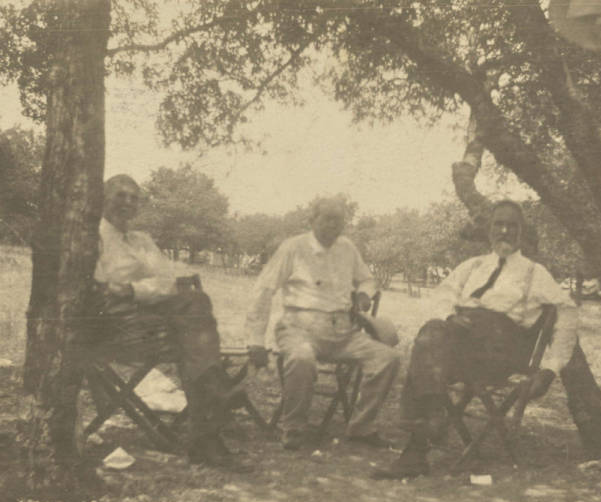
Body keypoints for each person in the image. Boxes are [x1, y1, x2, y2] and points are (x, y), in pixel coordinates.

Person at [374, 200, 579, 479]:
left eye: (512, 225)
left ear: (522, 231)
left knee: (429, 344)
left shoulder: (534, 272)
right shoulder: (473, 266)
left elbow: (567, 312)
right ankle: (427, 427)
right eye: (498, 224)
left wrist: (550, 369)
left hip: (500, 352)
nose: (504, 231)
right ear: (488, 229)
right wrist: (449, 316)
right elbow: (442, 295)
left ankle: (420, 441)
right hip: (458, 344)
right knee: (432, 335)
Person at [93, 174, 249, 470]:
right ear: (104, 197)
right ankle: (211, 422)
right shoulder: (94, 238)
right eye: (120, 195)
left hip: (159, 322)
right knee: (197, 314)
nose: (127, 202)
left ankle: (208, 432)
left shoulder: (142, 240)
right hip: (120, 327)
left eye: (134, 198)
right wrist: (143, 290)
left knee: (194, 339)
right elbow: (105, 291)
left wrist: (135, 289)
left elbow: (169, 281)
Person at [245, 197, 401, 450]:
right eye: (326, 218)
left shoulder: (347, 247)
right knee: (301, 359)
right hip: (299, 328)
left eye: (338, 220)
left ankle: (361, 427)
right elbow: (263, 290)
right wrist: (255, 340)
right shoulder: (293, 247)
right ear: (312, 220)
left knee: (389, 358)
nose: (333, 225)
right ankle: (294, 427)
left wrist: (364, 294)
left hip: (343, 332)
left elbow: (368, 280)